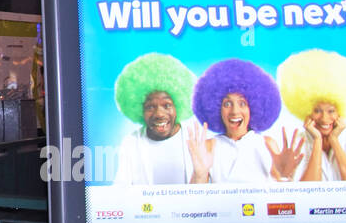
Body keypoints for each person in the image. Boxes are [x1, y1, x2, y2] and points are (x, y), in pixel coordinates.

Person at [187, 58, 303, 184]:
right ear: (216, 108)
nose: (235, 111)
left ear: (253, 107)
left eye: (242, 103)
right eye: (227, 104)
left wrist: (284, 176)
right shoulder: (210, 146)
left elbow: (279, 190)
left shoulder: (267, 144)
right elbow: (196, 194)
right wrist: (199, 174)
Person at [277, 49, 346, 181]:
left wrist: (334, 140)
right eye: (317, 111)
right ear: (307, 110)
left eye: (331, 111)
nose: (325, 119)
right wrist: (317, 141)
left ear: (340, 111)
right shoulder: (300, 140)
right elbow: (307, 191)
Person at [110, 53, 196, 185]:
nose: (159, 114)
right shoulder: (131, 143)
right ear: (140, 109)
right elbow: (121, 189)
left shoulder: (196, 139)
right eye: (150, 107)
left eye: (167, 105)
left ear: (178, 106)